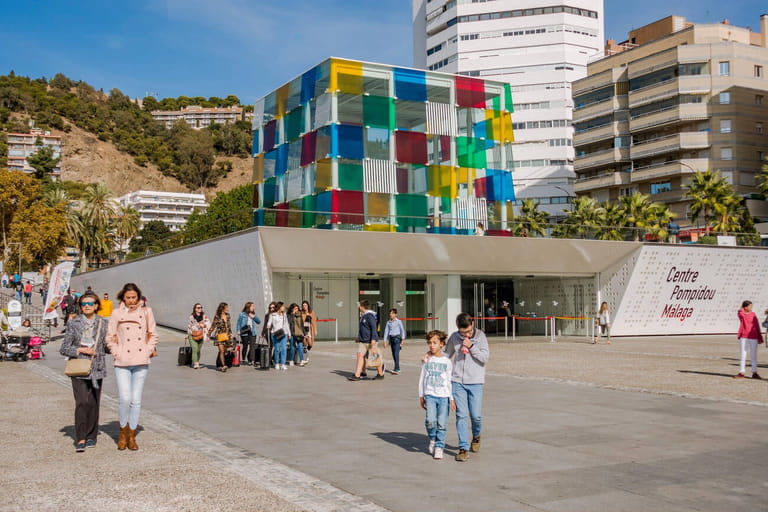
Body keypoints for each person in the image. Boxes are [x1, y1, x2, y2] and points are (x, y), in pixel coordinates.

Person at [106, 283, 158, 451]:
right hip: (122, 361)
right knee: (125, 398)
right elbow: (110, 336)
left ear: (139, 297)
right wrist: (116, 352)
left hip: (141, 360)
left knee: (136, 400)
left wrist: (147, 350)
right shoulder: (116, 313)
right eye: (128, 297)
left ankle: (131, 435)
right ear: (123, 298)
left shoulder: (146, 312)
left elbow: (153, 334)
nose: (131, 301)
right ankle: (122, 432)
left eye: (133, 297)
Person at [59, 291, 109, 452]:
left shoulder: (104, 324)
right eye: (84, 304)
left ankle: (92, 436)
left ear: (96, 306)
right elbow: (64, 348)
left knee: (94, 403)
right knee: (82, 402)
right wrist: (80, 350)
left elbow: (106, 347)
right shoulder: (74, 323)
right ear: (80, 306)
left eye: (90, 303)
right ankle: (80, 437)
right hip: (79, 368)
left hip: (97, 367)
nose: (87, 306)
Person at [443, 312, 489, 462]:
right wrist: (431, 355)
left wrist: (472, 346)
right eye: (463, 333)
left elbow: (484, 358)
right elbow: (446, 354)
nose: (466, 335)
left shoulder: (481, 336)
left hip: (475, 381)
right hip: (457, 381)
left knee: (475, 415)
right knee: (461, 415)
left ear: (473, 324)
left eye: (468, 331)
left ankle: (476, 435)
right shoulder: (455, 337)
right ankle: (463, 447)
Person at [419, 330, 456, 460]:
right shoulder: (427, 359)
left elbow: (449, 381)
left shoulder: (446, 362)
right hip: (430, 394)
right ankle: (432, 439)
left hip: (444, 396)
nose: (432, 345)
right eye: (430, 343)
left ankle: (440, 446)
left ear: (441, 344)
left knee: (442, 423)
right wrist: (421, 395)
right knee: (430, 421)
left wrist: (451, 398)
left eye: (435, 343)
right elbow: (422, 378)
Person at [348, 300, 384, 381]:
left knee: (373, 357)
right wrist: (359, 338)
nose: (359, 307)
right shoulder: (363, 316)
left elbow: (374, 328)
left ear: (362, 306)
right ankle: (357, 375)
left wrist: (374, 338)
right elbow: (363, 329)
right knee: (360, 355)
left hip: (370, 341)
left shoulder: (369, 316)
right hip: (363, 341)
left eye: (359, 305)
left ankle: (380, 373)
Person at [736, 300, 763, 379]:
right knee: (743, 355)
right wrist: (742, 308)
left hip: (753, 336)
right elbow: (740, 313)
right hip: (744, 336)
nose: (751, 308)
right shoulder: (742, 314)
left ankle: (754, 372)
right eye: (750, 306)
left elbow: (757, 326)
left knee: (753, 355)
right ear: (745, 307)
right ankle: (741, 372)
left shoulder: (753, 314)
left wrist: (759, 337)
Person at [209, 303, 233, 372]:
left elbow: (229, 326)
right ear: (222, 308)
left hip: (227, 335)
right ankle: (223, 365)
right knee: (221, 351)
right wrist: (208, 334)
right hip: (219, 335)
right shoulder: (217, 316)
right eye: (226, 307)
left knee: (225, 350)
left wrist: (231, 334)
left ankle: (219, 363)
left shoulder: (228, 315)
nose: (227, 309)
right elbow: (213, 325)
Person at [266, 302, 290, 370]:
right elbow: (269, 322)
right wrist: (268, 325)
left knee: (283, 349)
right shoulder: (272, 315)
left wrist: (289, 333)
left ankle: (283, 364)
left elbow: (286, 324)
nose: (284, 307)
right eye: (282, 306)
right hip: (275, 333)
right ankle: (276, 363)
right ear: (279, 307)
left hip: (283, 333)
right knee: (276, 349)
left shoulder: (284, 314)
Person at [236, 302, 261, 366]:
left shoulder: (254, 314)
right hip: (245, 332)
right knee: (245, 347)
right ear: (248, 307)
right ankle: (244, 358)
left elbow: (259, 322)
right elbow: (238, 323)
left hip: (252, 332)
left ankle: (252, 360)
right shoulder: (242, 314)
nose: (253, 307)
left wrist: (253, 317)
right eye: (252, 306)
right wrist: (238, 330)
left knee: (252, 347)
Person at [187, 303, 211, 369]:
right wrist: (200, 325)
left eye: (201, 307)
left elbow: (208, 323)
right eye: (198, 307)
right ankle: (196, 363)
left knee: (198, 350)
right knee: (195, 349)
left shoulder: (204, 316)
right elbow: (190, 326)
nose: (200, 309)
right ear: (195, 309)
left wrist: (207, 331)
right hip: (192, 335)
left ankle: (196, 360)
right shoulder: (191, 317)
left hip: (201, 335)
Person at [383, 308, 406, 374]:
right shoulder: (388, 322)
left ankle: (396, 368)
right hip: (391, 339)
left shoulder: (398, 321)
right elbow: (386, 332)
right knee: (393, 354)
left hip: (397, 338)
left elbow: (402, 330)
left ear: (396, 314)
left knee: (396, 353)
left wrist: (403, 340)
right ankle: (397, 368)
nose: (391, 314)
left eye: (392, 313)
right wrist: (385, 341)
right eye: (390, 313)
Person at [261, 302, 277, 368]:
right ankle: (269, 360)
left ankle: (272, 358)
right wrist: (262, 333)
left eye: (273, 307)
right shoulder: (267, 315)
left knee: (277, 347)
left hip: (276, 332)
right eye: (270, 308)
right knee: (270, 346)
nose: (272, 309)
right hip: (268, 332)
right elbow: (265, 324)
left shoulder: (277, 315)